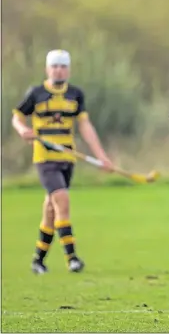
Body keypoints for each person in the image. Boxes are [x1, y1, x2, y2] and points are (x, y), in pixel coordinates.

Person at [11, 49, 114, 275]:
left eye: (63, 66)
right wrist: (22, 129)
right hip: (46, 158)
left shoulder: (76, 95)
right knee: (62, 202)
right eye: (55, 66)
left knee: (50, 210)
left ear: (68, 69)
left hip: (67, 157)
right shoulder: (36, 94)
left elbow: (85, 126)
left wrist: (101, 156)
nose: (59, 69)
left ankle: (38, 261)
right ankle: (72, 258)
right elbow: (17, 116)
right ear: (47, 69)